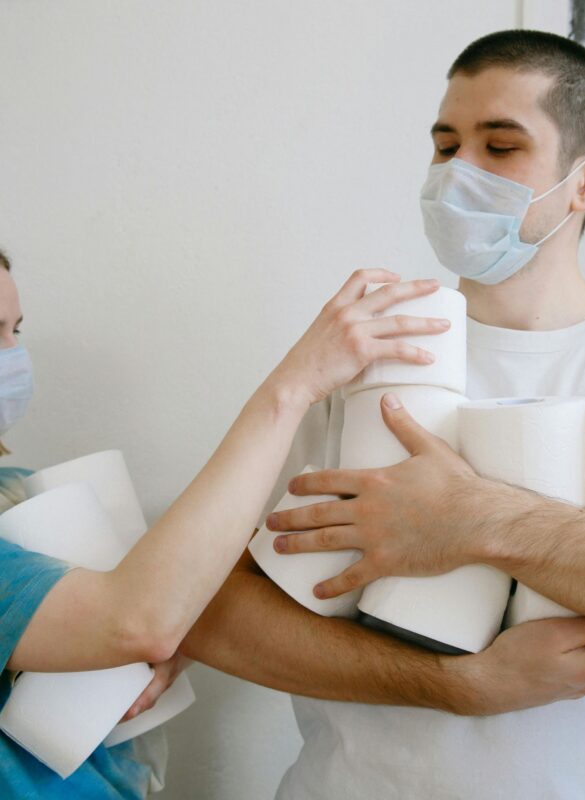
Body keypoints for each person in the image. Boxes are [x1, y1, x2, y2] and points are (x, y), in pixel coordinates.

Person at [175, 30, 585, 800]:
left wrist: (477, 519)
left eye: (501, 146)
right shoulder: (365, 352)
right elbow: (206, 607)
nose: (458, 172)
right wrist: (457, 685)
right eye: (446, 145)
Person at [0, 250, 455, 798]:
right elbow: (136, 621)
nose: (12, 357)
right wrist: (293, 386)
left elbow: (159, 613)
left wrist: (175, 637)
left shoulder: (19, 494)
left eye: (14, 331)